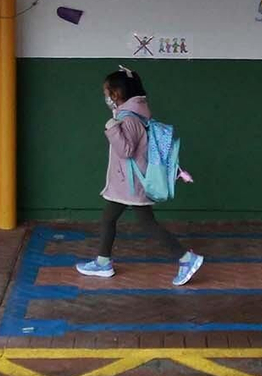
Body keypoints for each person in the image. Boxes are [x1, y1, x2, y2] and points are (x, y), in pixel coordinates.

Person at [76, 67, 204, 286]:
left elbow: (125, 151)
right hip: (127, 182)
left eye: (107, 93)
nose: (106, 97)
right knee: (110, 219)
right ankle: (103, 261)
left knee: (146, 224)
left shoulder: (129, 119)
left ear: (117, 94)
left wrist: (111, 128)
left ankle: (186, 258)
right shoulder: (134, 114)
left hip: (131, 184)